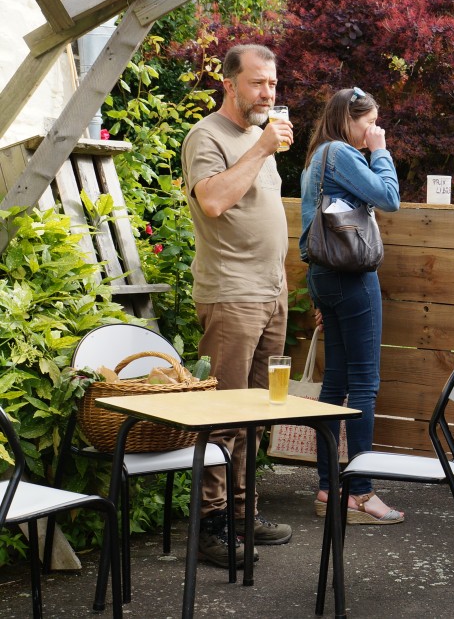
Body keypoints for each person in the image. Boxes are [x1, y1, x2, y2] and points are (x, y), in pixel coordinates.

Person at [180, 43, 295, 568]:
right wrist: (261, 150)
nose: (267, 93)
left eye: (272, 83)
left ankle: (243, 515)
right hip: (231, 294)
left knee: (256, 413)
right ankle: (212, 527)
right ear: (229, 83)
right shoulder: (207, 137)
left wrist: (262, 146)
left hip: (270, 293)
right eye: (257, 83)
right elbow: (213, 200)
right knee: (224, 416)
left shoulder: (257, 137)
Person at [299, 87, 403, 524]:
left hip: (325, 277)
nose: (373, 130)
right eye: (370, 122)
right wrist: (381, 152)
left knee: (336, 381)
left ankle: (328, 488)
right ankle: (361, 492)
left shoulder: (316, 157)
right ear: (349, 118)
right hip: (351, 275)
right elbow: (389, 198)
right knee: (364, 384)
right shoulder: (341, 152)